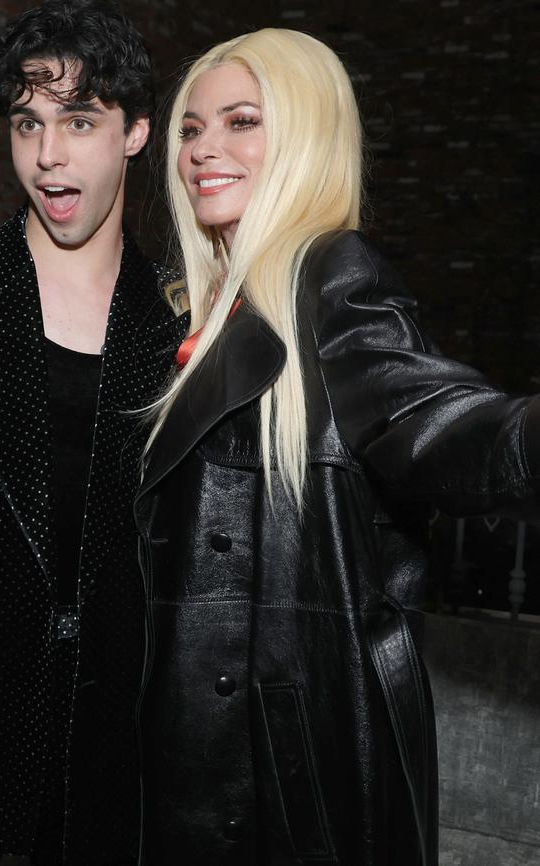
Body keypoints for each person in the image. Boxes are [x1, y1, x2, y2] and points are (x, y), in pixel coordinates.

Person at [133, 28, 540, 866]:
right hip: (196, 763)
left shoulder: (331, 278)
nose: (205, 149)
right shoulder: (204, 318)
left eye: (242, 121)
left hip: (288, 776)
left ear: (306, 136)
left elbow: (444, 423)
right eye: (191, 128)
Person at [0, 1, 187, 865]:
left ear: (135, 132)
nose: (48, 156)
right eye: (29, 123)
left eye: (80, 121)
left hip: (113, 784)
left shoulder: (184, 328)